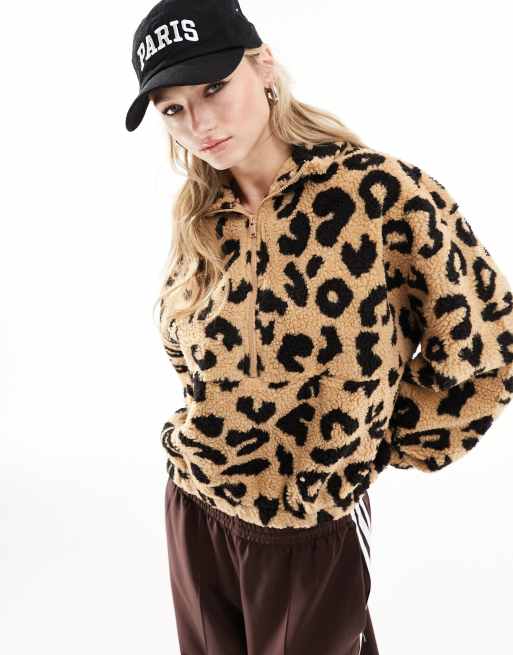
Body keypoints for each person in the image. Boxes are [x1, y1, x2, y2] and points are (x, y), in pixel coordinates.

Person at [125, 1, 513, 653]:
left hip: (311, 528)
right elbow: (188, 360)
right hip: (195, 509)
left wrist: (375, 447)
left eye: (213, 87)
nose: (199, 123)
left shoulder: (378, 194)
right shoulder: (200, 216)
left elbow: (488, 341)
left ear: (263, 66)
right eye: (172, 108)